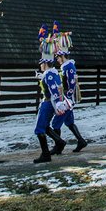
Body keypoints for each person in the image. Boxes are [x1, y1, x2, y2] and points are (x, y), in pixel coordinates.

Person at [50, 23, 88, 153]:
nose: (57, 59)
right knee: (69, 122)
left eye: (58, 57)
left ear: (63, 56)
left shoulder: (68, 67)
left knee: (56, 123)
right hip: (67, 98)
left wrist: (67, 98)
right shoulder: (65, 66)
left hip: (67, 99)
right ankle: (81, 141)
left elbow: (71, 84)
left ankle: (58, 146)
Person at [34, 24, 69, 163]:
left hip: (48, 103)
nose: (40, 65)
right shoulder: (52, 73)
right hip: (50, 102)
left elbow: (54, 88)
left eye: (41, 63)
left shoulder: (48, 74)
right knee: (46, 127)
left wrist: (59, 102)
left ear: (45, 63)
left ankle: (45, 154)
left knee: (39, 129)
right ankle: (59, 141)